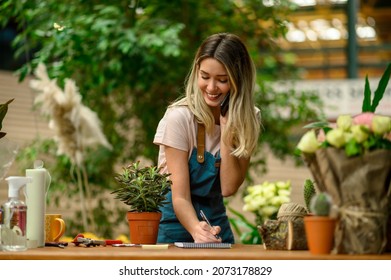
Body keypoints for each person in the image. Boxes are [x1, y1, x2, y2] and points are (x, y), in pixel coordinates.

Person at [153, 33, 261, 244]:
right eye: (205, 77)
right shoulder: (179, 117)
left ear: (239, 80)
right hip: (174, 220)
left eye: (222, 80)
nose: (211, 88)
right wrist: (197, 230)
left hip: (215, 221)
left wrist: (228, 127)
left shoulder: (250, 117)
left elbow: (228, 187)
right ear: (196, 73)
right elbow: (180, 197)